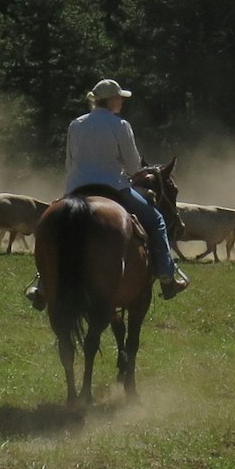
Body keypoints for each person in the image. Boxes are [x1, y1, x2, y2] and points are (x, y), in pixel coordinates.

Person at [26, 78, 189, 310]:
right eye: (119, 98)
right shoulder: (120, 125)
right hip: (113, 187)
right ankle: (167, 276)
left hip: (77, 188)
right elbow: (134, 166)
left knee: (57, 228)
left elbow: (70, 161)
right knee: (157, 220)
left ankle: (42, 284)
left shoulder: (76, 124)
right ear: (112, 100)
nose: (121, 102)